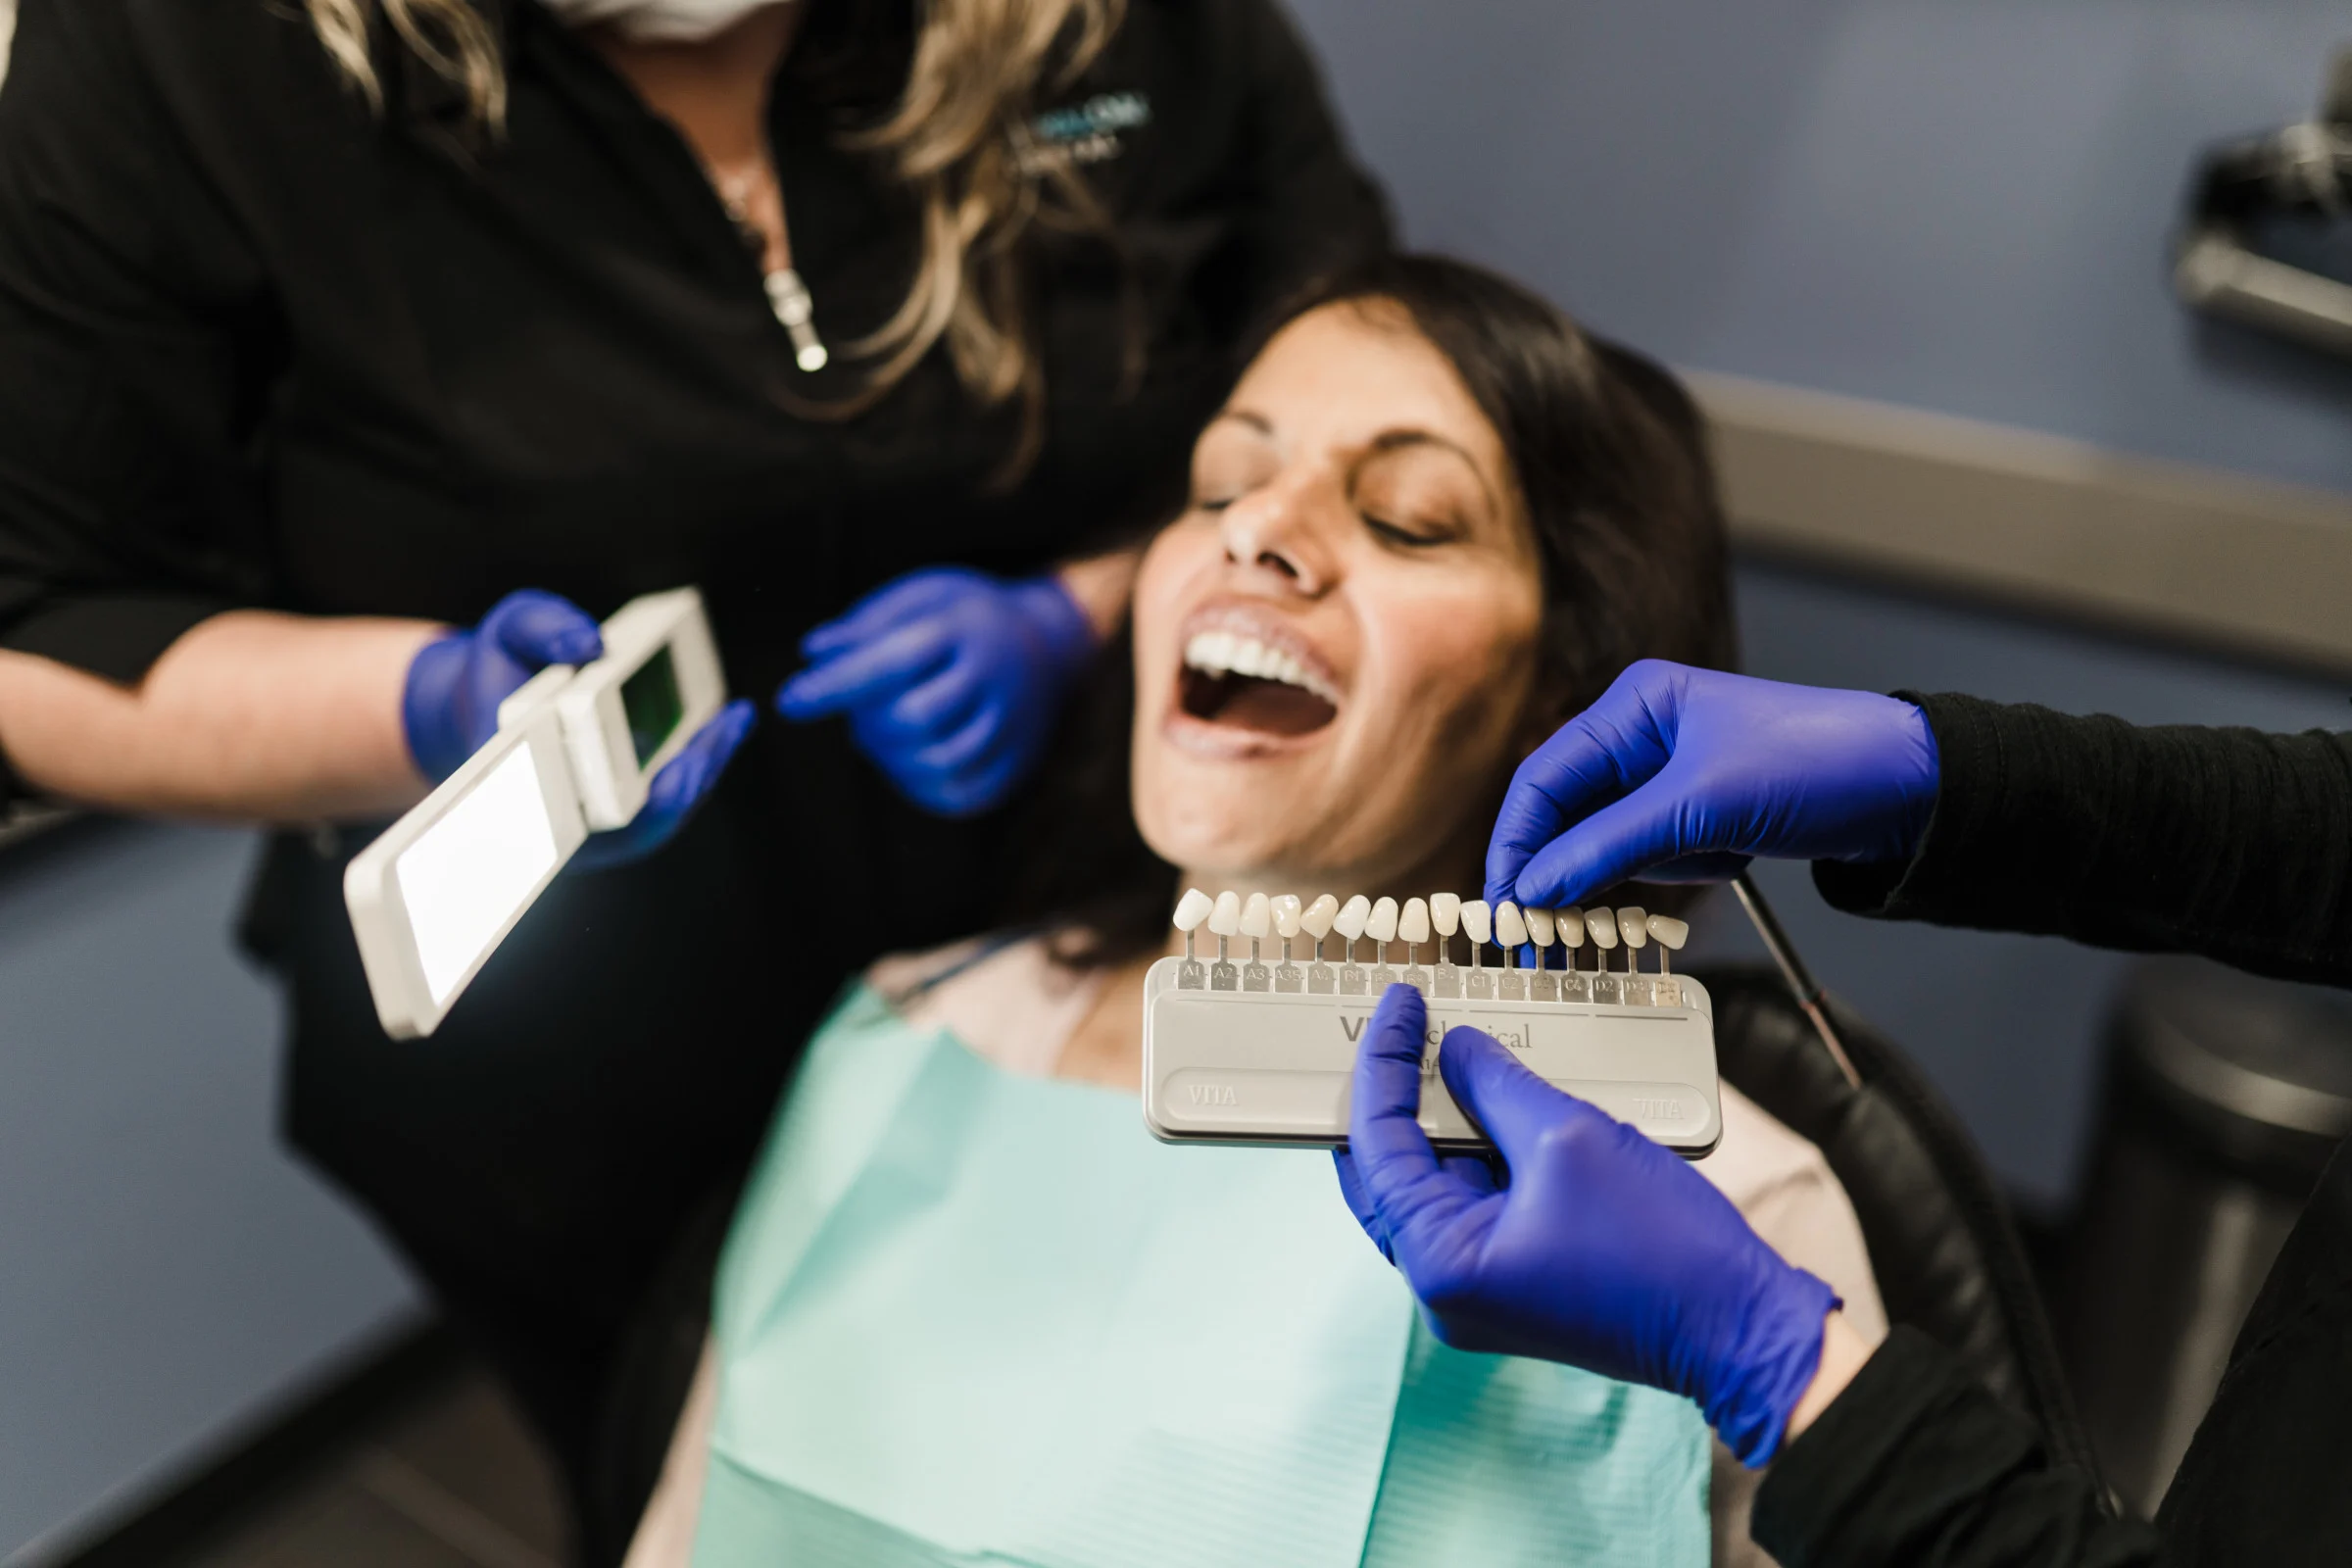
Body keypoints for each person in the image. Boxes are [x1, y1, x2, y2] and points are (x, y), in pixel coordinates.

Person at [0, 0, 1389, 1507]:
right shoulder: (186, 54)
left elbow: (1367, 409)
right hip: (575, 1094)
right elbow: (46, 638)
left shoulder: (1125, 36)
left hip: (1083, 969)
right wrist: (425, 710)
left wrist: (1085, 614)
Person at [612, 256, 1886, 1566]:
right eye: (1221, 486)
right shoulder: (904, 1037)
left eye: (1405, 519)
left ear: (1569, 698)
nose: (1257, 529)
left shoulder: (1731, 1222)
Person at [1339, 657, 2352, 1565]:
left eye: (1410, 530)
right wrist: (1955, 776)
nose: (1271, 547)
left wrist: (1779, 1367)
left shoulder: (1765, 1194)